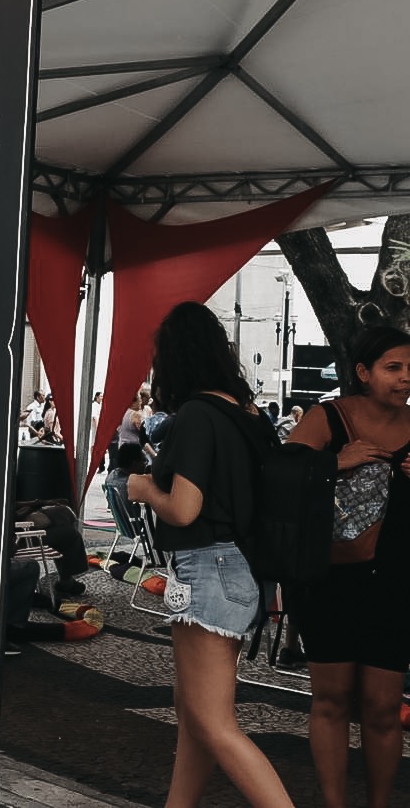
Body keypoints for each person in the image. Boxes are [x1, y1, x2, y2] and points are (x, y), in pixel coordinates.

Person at [126, 301, 292, 806]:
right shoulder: (247, 414)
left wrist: (140, 487)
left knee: (215, 723)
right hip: (240, 567)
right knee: (194, 710)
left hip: (208, 566)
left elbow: (183, 507)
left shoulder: (197, 414)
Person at [285, 326, 410, 808]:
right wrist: (334, 461)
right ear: (363, 372)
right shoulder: (328, 417)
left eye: (409, 369)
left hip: (396, 584)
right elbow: (280, 478)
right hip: (330, 581)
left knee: (383, 707)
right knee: (331, 700)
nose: (404, 379)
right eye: (392, 368)